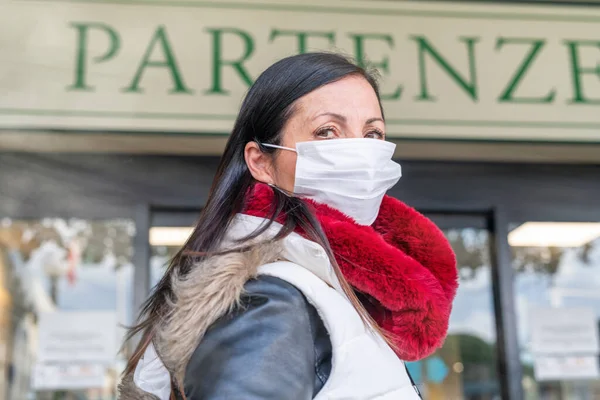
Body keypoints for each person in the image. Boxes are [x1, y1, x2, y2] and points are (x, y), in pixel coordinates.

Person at [119, 52, 458, 400]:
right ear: (261, 162)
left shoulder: (332, 289)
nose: (360, 151)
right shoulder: (270, 300)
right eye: (327, 131)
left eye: (372, 133)